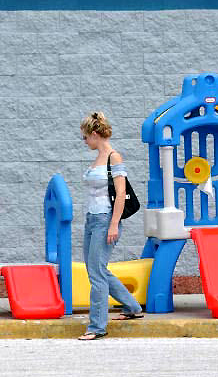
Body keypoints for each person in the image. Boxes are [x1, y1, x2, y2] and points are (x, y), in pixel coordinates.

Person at [77, 112, 143, 341]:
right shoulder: (98, 158)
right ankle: (132, 307)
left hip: (105, 219)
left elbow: (121, 193)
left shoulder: (114, 157)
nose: (84, 141)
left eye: (85, 137)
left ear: (95, 134)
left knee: (96, 273)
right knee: (97, 269)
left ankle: (97, 327)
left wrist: (114, 224)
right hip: (92, 219)